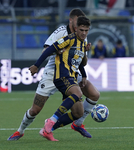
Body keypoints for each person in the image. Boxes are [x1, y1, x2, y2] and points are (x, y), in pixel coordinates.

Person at [7, 9, 99, 141]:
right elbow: (47, 48)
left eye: (85, 28)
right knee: (35, 109)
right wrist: (53, 54)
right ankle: (20, 131)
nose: (83, 30)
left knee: (92, 96)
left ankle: (74, 124)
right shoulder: (61, 32)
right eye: (78, 22)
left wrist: (83, 74)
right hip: (53, 73)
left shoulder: (83, 36)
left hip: (72, 73)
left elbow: (80, 59)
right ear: (71, 20)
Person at [29, 16, 91, 141]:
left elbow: (79, 62)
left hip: (72, 77)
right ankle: (51, 120)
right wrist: (36, 65)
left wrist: (84, 70)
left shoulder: (83, 43)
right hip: (61, 76)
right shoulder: (69, 39)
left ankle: (48, 131)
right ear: (76, 29)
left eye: (86, 30)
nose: (84, 33)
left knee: (78, 113)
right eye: (81, 30)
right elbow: (50, 49)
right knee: (78, 92)